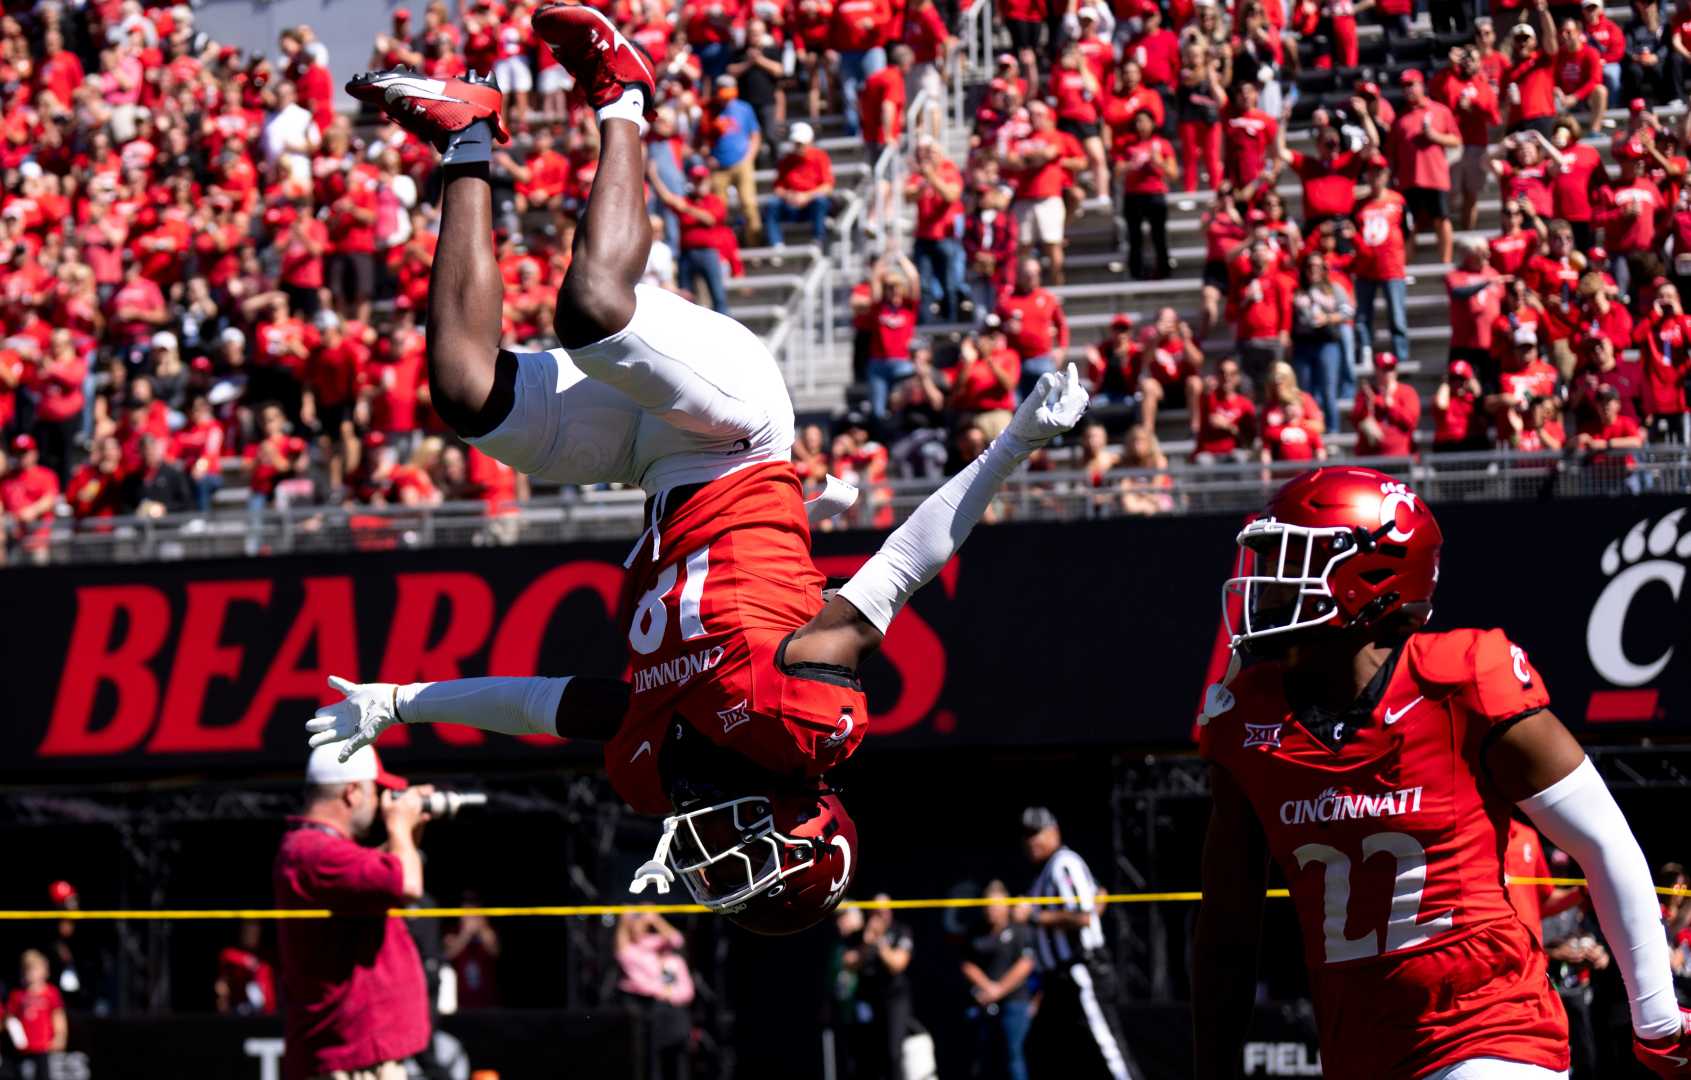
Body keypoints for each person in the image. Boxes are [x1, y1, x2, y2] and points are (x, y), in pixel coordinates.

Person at [322, 28, 1089, 938]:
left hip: (653, 466)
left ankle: (466, 137)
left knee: (465, 391)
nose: (710, 849)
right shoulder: (802, 720)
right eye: (746, 855)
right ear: (805, 822)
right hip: (738, 434)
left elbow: (544, 703)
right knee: (593, 313)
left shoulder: (654, 766)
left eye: (719, 871)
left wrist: (403, 701)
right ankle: (624, 93)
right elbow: (900, 566)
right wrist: (1010, 447)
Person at [1192, 467, 1691, 1080]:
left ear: (1366, 576)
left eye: (1287, 561)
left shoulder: (1460, 681)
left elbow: (1604, 840)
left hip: (1492, 1029)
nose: (1263, 588)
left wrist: (1658, 1020)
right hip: (1361, 1051)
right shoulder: (1248, 717)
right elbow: (1227, 926)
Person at [275, 743, 430, 1080]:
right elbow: (407, 884)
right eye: (375, 792)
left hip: (358, 1051)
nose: (379, 805)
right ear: (351, 793)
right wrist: (400, 827)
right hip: (351, 1056)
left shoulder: (314, 850)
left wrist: (408, 832)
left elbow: (378, 875)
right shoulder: (315, 852)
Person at [1020, 807, 1136, 1079]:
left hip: (1080, 971)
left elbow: (1082, 916)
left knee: (1108, 1050)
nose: (1030, 841)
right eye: (1026, 835)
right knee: (1045, 1052)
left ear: (1054, 831)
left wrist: (1034, 916)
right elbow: (1096, 900)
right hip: (1058, 981)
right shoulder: (1046, 872)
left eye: (1036, 833)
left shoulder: (1063, 863)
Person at [962, 881, 1035, 1080]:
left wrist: (999, 989)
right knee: (983, 1058)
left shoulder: (1019, 930)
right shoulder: (977, 932)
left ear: (1006, 905)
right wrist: (988, 988)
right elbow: (967, 964)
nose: (991, 910)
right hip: (984, 1001)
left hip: (1015, 1001)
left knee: (1013, 1055)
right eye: (988, 905)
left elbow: (1026, 963)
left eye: (995, 905)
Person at [838, 896, 916, 1080]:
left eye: (884, 911)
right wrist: (866, 943)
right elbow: (848, 963)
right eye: (877, 912)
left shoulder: (900, 931)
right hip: (868, 999)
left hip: (895, 999)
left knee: (893, 1052)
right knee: (867, 1054)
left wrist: (880, 942)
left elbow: (897, 965)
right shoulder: (860, 935)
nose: (881, 916)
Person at [615, 911, 694, 1080]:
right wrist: (625, 919)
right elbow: (623, 952)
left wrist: (655, 918)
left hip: (676, 1012)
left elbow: (677, 940)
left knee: (679, 1058)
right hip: (652, 1010)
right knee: (653, 1059)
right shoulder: (636, 952)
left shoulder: (671, 958)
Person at [763, 122, 835, 248]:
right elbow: (778, 188)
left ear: (809, 142)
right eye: (796, 143)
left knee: (820, 201)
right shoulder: (786, 161)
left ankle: (818, 239)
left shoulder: (820, 157)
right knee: (772, 204)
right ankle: (776, 244)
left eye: (801, 143)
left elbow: (828, 187)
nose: (799, 147)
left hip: (811, 204)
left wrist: (806, 196)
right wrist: (789, 195)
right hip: (791, 205)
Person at [6, 949, 68, 1079]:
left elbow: (58, 1015)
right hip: (23, 1049)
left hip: (44, 1048)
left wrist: (60, 1036)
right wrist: (16, 1036)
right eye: (28, 970)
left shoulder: (51, 993)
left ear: (45, 971)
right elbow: (10, 1018)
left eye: (35, 969)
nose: (32, 974)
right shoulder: (17, 995)